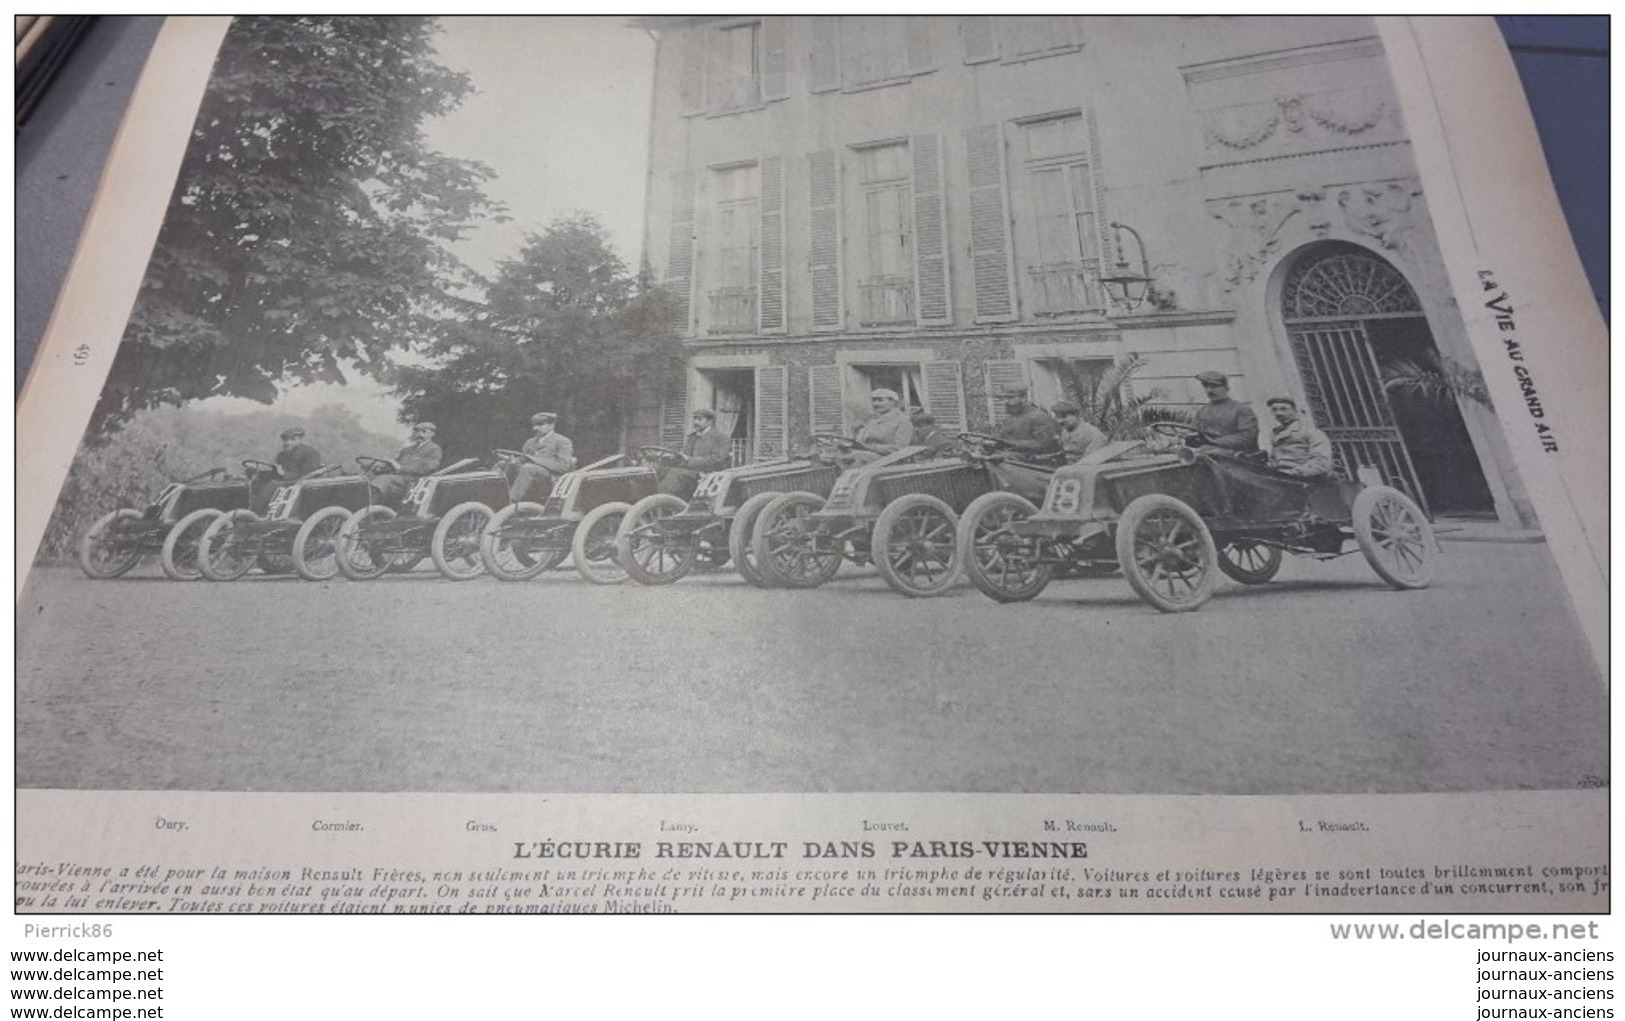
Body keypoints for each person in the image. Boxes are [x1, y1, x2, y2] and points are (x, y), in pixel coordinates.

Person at [657, 408, 734, 497]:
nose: (695, 422)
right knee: (661, 470)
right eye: (694, 418)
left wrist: (690, 460)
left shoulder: (721, 437)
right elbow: (685, 457)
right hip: (692, 473)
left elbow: (717, 459)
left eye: (699, 419)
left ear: (710, 421)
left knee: (677, 474)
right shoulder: (692, 437)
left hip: (710, 475)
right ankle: (652, 500)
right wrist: (671, 458)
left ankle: (659, 502)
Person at [507, 412, 575, 503]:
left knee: (528, 468)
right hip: (531, 476)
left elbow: (563, 466)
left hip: (551, 478)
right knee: (503, 465)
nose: (535, 428)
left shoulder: (562, 441)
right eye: (534, 425)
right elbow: (522, 460)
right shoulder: (530, 442)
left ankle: (511, 501)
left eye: (540, 425)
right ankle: (495, 496)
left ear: (551, 425)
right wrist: (513, 461)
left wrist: (535, 460)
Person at [370, 422, 443, 505]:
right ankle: (369, 510)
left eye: (423, 431)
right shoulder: (407, 450)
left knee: (384, 480)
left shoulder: (434, 449)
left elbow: (430, 467)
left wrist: (401, 468)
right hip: (399, 482)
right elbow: (395, 466)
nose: (419, 434)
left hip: (416, 484)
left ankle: (369, 512)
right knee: (368, 480)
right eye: (416, 431)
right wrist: (380, 468)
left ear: (432, 434)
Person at [1190, 371, 1259, 453]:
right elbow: (1194, 432)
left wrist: (1212, 441)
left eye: (1214, 386)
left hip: (1237, 459)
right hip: (1207, 455)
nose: (1209, 390)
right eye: (1206, 386)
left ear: (1226, 388)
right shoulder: (1201, 411)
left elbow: (1246, 438)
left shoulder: (1241, 409)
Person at [1264, 396, 1335, 477]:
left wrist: (1293, 472)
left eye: (1284, 409)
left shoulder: (1311, 432)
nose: (1279, 413)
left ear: (1295, 411)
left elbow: (1321, 463)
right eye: (1274, 410)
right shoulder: (1276, 433)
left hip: (1306, 478)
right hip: (1283, 475)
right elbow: (1276, 458)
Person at [254, 427, 322, 508]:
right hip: (284, 482)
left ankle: (255, 513)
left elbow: (308, 474)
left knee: (270, 486)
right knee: (255, 483)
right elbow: (276, 470)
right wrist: (260, 473)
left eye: (291, 440)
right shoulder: (282, 455)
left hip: (299, 484)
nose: (287, 443)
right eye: (285, 440)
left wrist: (284, 474)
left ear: (299, 439)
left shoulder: (310, 453)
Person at [846, 388, 914, 465]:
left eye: (880, 400)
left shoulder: (902, 421)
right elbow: (861, 442)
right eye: (874, 401)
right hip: (870, 457)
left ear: (892, 402)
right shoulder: (872, 421)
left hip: (891, 460)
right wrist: (855, 432)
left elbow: (900, 448)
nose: (876, 404)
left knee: (857, 456)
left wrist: (872, 448)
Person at [991, 385, 1061, 455]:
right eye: (1003, 398)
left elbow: (1044, 444)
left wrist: (1011, 444)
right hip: (1010, 458)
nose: (1005, 402)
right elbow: (1000, 438)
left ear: (1023, 398)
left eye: (1010, 397)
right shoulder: (1008, 419)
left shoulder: (1039, 416)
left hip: (1033, 462)